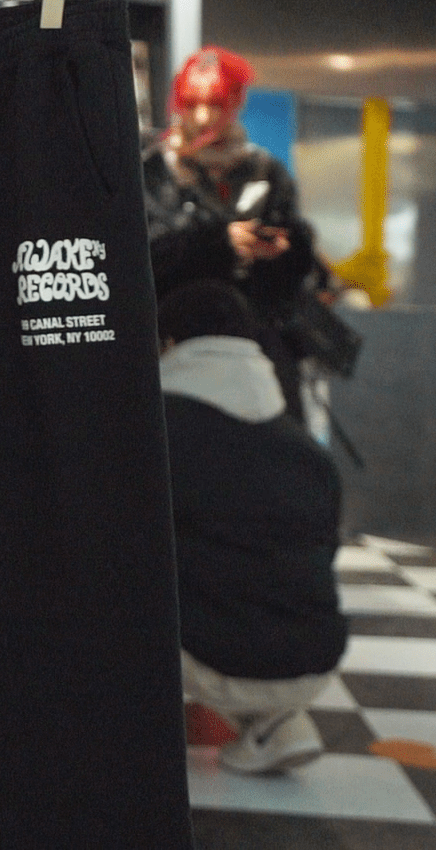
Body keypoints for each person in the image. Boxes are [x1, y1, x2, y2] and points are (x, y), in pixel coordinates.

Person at [159, 279, 347, 775]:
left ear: (170, 344)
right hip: (315, 656)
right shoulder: (305, 449)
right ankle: (277, 722)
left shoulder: (156, 433)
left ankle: (111, 738)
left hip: (214, 658)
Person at [143, 46, 323, 419]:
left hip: (257, 339)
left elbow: (292, 277)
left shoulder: (265, 170)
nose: (203, 117)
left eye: (216, 104)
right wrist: (220, 243)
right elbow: (141, 258)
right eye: (191, 104)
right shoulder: (153, 170)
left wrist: (285, 248)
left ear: (235, 104)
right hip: (169, 341)